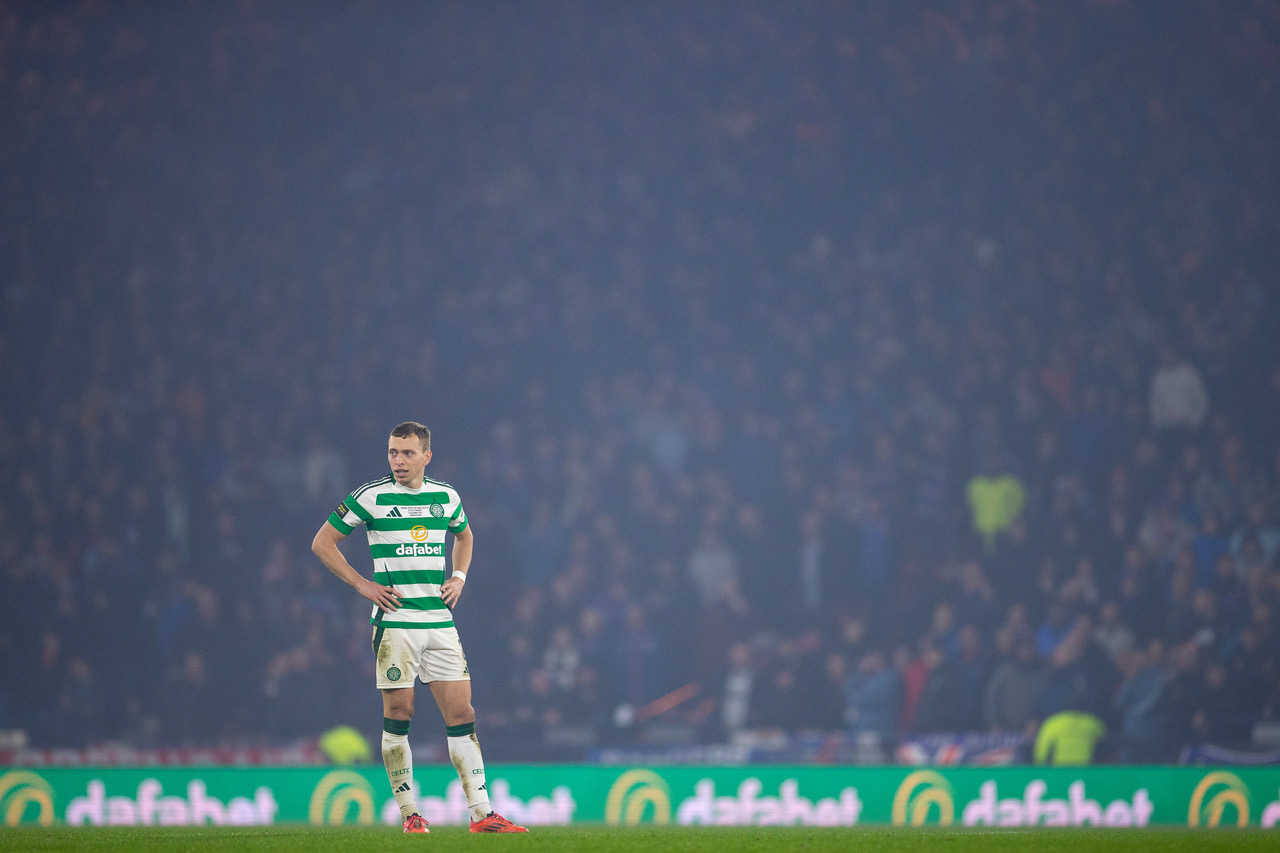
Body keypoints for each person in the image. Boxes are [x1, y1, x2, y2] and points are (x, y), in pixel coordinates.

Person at [311, 421, 527, 833]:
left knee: (462, 712)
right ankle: (410, 814)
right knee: (400, 712)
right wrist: (362, 584)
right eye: (393, 452)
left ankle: (482, 814)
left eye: (407, 453)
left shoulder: (446, 497)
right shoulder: (371, 496)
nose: (398, 460)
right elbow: (322, 542)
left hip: (439, 621)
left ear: (427, 456)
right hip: (395, 622)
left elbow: (465, 537)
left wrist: (458, 577)